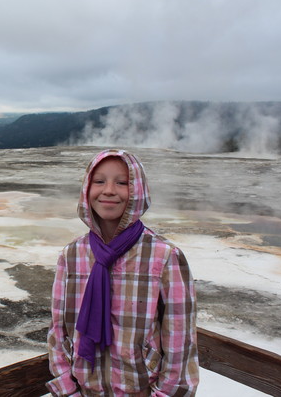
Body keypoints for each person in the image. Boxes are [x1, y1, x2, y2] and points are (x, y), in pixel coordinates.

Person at [46, 149, 199, 396]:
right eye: (99, 181)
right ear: (87, 189)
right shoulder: (72, 256)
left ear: (138, 191)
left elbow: (180, 344)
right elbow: (58, 331)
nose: (108, 190)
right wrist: (67, 390)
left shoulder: (165, 257)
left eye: (122, 182)